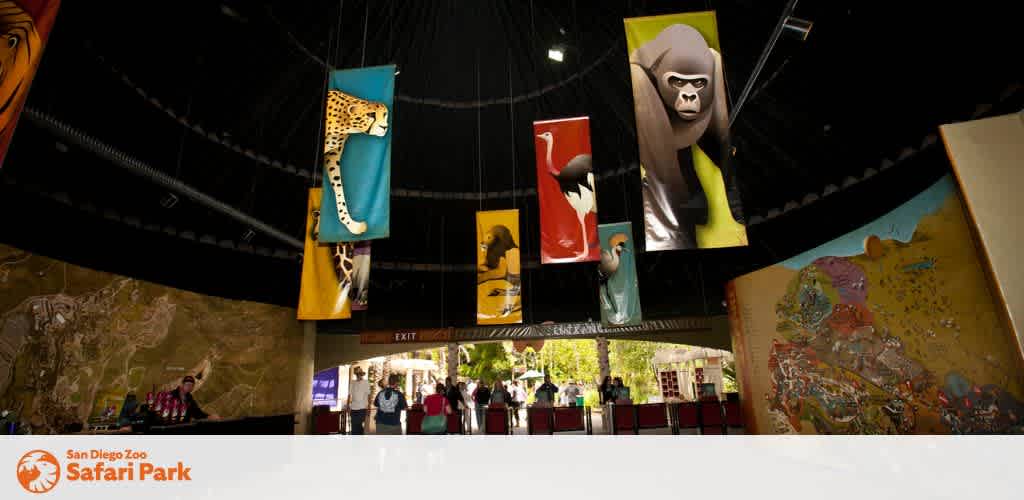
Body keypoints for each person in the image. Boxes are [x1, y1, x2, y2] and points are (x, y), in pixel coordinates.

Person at [347, 366, 372, 435]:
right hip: (353, 408)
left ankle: (359, 440)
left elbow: (369, 395)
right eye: (358, 374)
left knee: (358, 425)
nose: (359, 375)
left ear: (362, 374)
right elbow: (349, 394)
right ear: (356, 374)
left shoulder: (366, 382)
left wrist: (369, 407)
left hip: (362, 408)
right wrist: (348, 406)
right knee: (354, 426)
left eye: (360, 374)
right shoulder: (352, 382)